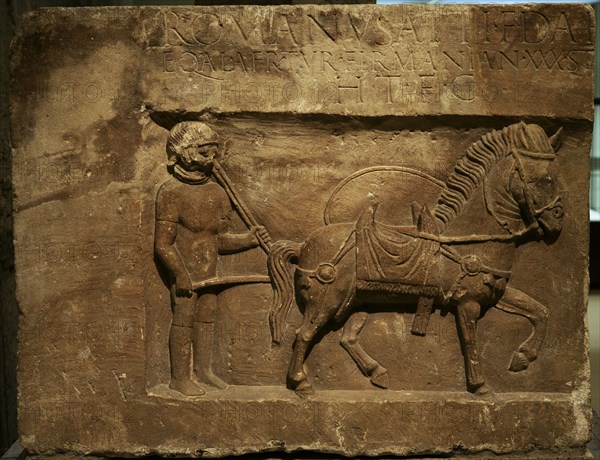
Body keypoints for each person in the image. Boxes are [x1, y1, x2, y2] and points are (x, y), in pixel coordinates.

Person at [154, 121, 269, 396]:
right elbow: (163, 244)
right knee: (184, 319)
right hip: (186, 273)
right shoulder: (171, 192)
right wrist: (181, 275)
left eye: (214, 153)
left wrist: (249, 239)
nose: (212, 160)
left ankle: (204, 371)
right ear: (184, 152)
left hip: (210, 271)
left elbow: (220, 241)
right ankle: (179, 378)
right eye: (205, 153)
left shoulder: (218, 193)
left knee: (206, 319)